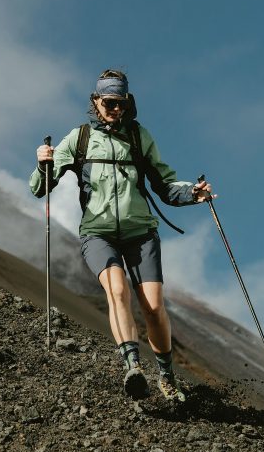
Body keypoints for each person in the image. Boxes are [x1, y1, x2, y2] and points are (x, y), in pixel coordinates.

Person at [29, 69, 214, 402]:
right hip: (98, 234)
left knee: (154, 307)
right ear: (96, 102)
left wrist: (193, 193)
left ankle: (167, 377)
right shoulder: (80, 138)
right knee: (117, 291)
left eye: (122, 104)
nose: (116, 110)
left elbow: (164, 185)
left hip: (141, 233)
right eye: (110, 103)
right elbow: (41, 187)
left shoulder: (139, 137)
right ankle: (133, 368)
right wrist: (43, 163)